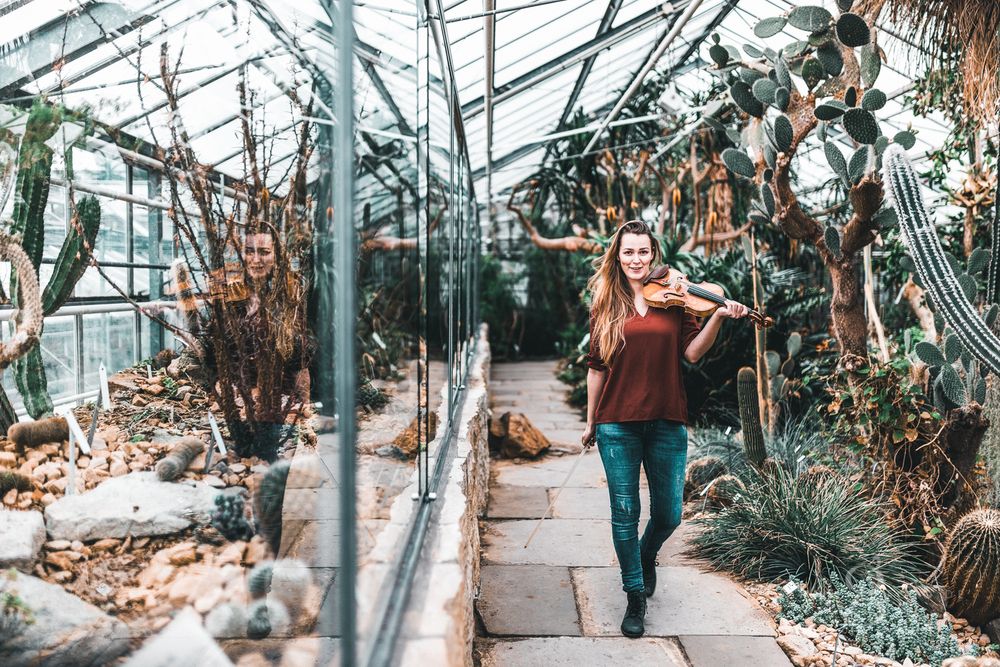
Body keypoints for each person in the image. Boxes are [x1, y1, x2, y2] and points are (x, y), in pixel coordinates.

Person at [580, 219, 748, 638]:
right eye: (628, 252)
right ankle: (634, 594)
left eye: (642, 251)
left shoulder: (675, 300)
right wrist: (590, 421)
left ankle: (646, 553)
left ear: (653, 254)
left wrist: (719, 318)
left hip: (666, 419)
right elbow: (596, 368)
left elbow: (692, 353)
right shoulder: (605, 303)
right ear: (617, 257)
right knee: (624, 512)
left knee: (669, 514)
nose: (636, 259)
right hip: (616, 422)